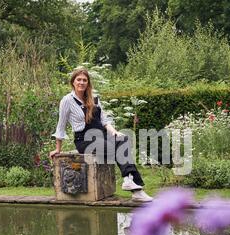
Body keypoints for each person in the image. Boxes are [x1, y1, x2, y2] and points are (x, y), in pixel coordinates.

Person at [49, 68, 153, 202]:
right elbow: (61, 126)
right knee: (113, 148)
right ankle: (137, 191)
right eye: (78, 80)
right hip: (84, 140)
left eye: (84, 80)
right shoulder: (67, 100)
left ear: (88, 83)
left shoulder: (95, 99)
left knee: (122, 139)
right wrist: (58, 149)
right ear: (73, 82)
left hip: (101, 135)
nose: (81, 82)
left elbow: (104, 121)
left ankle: (129, 181)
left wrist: (114, 132)